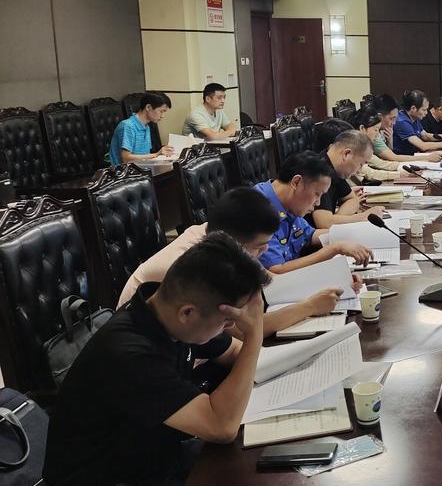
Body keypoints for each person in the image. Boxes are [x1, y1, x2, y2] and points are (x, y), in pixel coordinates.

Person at [44, 233, 272, 486]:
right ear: (188, 313)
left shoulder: (165, 313)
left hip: (155, 460)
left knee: (259, 465)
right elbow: (221, 426)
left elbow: (234, 356)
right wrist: (255, 335)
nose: (228, 328)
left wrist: (249, 339)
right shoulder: (128, 352)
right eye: (226, 322)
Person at [118, 187, 345, 336]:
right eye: (259, 246)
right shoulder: (198, 266)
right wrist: (309, 307)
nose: (265, 251)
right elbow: (242, 330)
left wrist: (334, 281)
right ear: (235, 242)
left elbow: (272, 282)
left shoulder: (218, 236)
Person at [254, 151, 373, 273]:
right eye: (317, 194)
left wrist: (355, 234)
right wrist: (335, 248)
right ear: (296, 182)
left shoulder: (288, 202)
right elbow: (276, 271)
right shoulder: (257, 209)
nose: (318, 203)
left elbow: (309, 235)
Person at [309, 128, 384, 228]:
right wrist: (365, 216)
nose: (360, 170)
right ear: (346, 154)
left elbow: (353, 200)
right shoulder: (319, 171)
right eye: (361, 164)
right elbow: (325, 223)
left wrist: (336, 218)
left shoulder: (335, 167)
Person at [370, 95, 441, 165]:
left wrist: (389, 141)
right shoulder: (374, 131)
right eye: (391, 118)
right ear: (379, 116)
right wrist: (426, 158)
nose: (394, 123)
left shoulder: (384, 129)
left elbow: (389, 155)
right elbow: (392, 157)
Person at [108, 91, 175, 166]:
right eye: (161, 111)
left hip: (142, 168)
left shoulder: (146, 126)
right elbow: (126, 158)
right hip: (125, 171)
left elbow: (145, 155)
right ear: (148, 107)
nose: (162, 116)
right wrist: (156, 154)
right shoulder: (127, 126)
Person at [393, 90, 442, 155]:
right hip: (404, 157)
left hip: (414, 154)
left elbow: (425, 135)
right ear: (413, 108)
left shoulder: (415, 117)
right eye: (424, 110)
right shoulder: (402, 122)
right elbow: (422, 146)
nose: (426, 112)